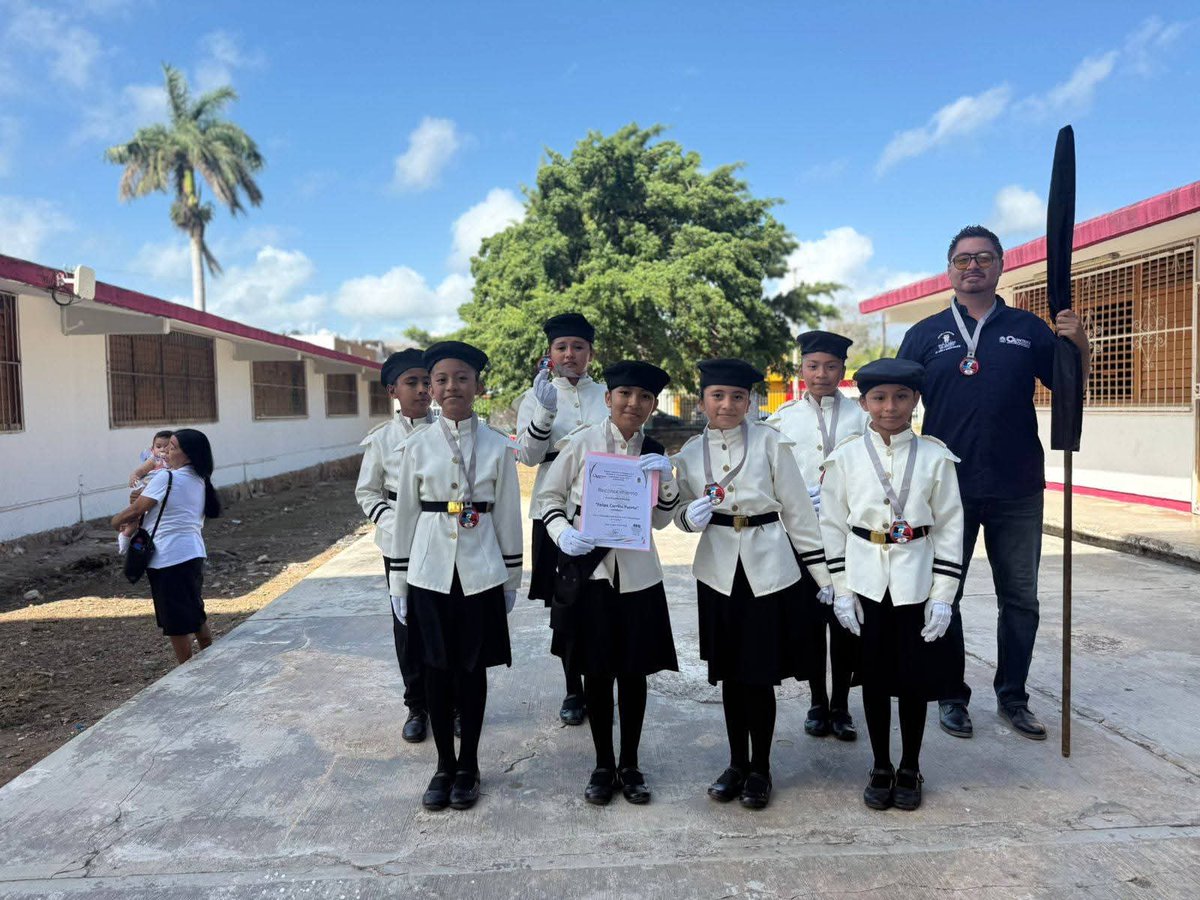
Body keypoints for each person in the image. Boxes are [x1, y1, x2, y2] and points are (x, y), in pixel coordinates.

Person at [898, 225, 1090, 741]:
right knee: (944, 593)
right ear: (949, 270)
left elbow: (1070, 385)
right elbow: (893, 403)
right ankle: (950, 695)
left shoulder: (1029, 328)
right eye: (963, 259)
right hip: (945, 489)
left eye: (983, 258)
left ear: (1001, 266)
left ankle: (1013, 696)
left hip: (1017, 485)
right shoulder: (925, 333)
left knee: (1021, 598)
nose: (973, 266)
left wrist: (1079, 342)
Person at [675, 359, 833, 810]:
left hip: (768, 570)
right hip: (717, 571)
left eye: (737, 396)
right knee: (729, 675)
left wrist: (822, 576)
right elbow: (678, 511)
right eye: (717, 396)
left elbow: (798, 513)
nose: (727, 404)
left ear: (750, 401)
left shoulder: (770, 443)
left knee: (759, 675)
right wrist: (687, 518)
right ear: (701, 400)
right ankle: (735, 763)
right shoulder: (689, 453)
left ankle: (760, 768)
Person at [821, 358, 964, 811]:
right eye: (879, 397)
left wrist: (944, 596)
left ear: (916, 400)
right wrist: (841, 588)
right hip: (865, 582)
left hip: (915, 582)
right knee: (875, 680)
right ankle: (881, 764)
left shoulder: (936, 457)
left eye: (901, 397)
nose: (890, 407)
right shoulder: (845, 457)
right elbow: (832, 525)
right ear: (863, 402)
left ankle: (910, 766)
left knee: (914, 681)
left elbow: (950, 527)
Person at [536, 360, 680, 806]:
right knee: (596, 674)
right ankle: (602, 764)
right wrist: (562, 532)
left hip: (638, 576)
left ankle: (630, 764)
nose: (633, 403)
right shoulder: (581, 443)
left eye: (644, 397)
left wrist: (667, 481)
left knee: (634, 674)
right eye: (625, 394)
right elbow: (548, 497)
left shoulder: (653, 450)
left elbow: (661, 520)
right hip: (591, 575)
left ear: (653, 405)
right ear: (608, 398)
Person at [387, 341, 522, 812]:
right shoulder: (416, 445)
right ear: (431, 387)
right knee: (435, 671)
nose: (450, 387)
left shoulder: (498, 445)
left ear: (478, 386)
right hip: (429, 572)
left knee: (472, 670)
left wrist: (510, 577)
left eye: (462, 378)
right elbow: (405, 515)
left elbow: (507, 512)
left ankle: (469, 765)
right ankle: (443, 765)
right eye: (440, 379)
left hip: (480, 571)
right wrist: (399, 580)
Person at [767, 331, 868, 741]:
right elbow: (769, 474)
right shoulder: (782, 419)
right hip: (802, 539)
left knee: (847, 623)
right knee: (808, 625)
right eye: (813, 366)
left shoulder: (862, 417)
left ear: (843, 370)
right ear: (801, 369)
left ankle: (841, 704)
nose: (821, 374)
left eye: (830, 366)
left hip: (849, 537)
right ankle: (816, 701)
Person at [513, 312, 609, 727]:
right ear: (549, 353)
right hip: (553, 513)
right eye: (561, 347)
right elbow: (527, 456)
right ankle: (574, 688)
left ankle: (602, 681)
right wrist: (544, 413)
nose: (570, 354)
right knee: (565, 604)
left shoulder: (608, 393)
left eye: (578, 347)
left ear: (591, 353)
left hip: (603, 509)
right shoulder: (534, 396)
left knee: (603, 601)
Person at [356, 349, 435, 744]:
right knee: (407, 624)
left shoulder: (449, 432)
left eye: (427, 382)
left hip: (442, 539)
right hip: (399, 546)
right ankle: (416, 705)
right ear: (393, 391)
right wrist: (397, 526)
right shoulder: (382, 440)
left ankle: (453, 702)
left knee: (447, 621)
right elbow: (368, 492)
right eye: (412, 382)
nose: (422, 390)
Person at [111, 429, 222, 665]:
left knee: (176, 622)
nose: (166, 452)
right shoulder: (200, 480)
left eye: (172, 447)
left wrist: (115, 521)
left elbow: (137, 510)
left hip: (168, 557)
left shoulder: (167, 478)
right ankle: (210, 659)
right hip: (193, 553)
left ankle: (187, 670)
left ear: (188, 454)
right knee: (194, 609)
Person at [118, 430, 174, 552]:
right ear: (152, 449)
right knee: (136, 516)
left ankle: (141, 543)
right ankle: (126, 535)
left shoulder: (174, 463)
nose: (162, 449)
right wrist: (134, 476)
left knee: (150, 520)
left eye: (166, 446)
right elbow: (140, 471)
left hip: (159, 495)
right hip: (144, 491)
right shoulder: (154, 460)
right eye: (158, 446)